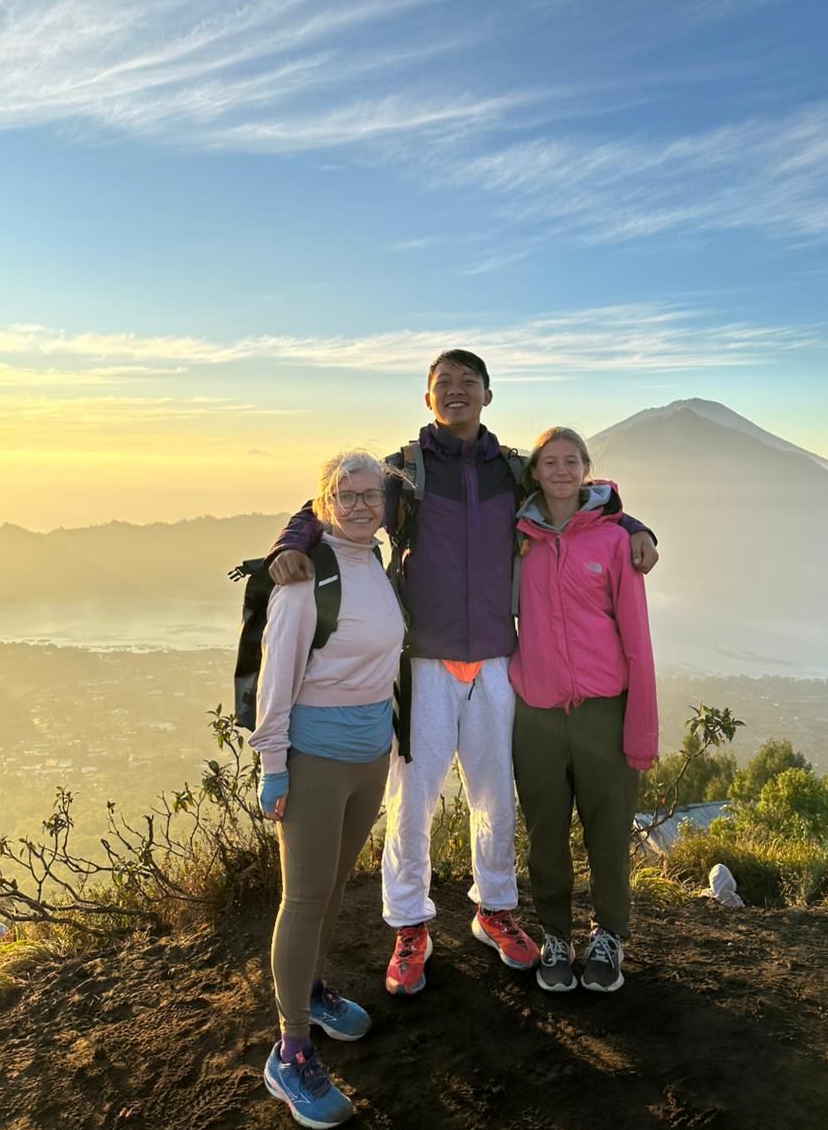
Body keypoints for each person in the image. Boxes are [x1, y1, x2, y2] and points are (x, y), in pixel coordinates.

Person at [268, 350, 658, 997]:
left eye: (467, 385)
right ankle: (410, 924)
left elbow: (582, 500)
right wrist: (289, 541)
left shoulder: (510, 469)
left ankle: (495, 910)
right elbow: (335, 501)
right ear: (428, 399)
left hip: (497, 658)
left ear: (487, 395)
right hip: (422, 657)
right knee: (412, 798)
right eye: (443, 386)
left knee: (494, 795)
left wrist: (637, 526)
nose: (456, 394)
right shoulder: (406, 472)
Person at [252, 449, 404, 1130]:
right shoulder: (304, 580)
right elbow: (276, 679)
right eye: (348, 495)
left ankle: (310, 992)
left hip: (370, 755)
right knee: (306, 898)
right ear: (324, 502)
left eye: (373, 494)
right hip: (314, 759)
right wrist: (273, 767)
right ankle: (290, 1051)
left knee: (336, 888)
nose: (363, 505)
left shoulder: (381, 567)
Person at [510, 427, 659, 995]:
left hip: (604, 710)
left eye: (572, 461)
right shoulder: (517, 536)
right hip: (538, 714)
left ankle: (608, 937)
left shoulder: (616, 540)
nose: (562, 470)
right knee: (545, 834)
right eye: (551, 461)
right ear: (536, 471)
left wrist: (640, 729)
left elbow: (637, 641)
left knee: (607, 833)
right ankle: (554, 936)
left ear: (588, 469)